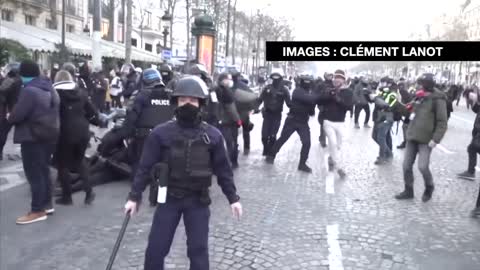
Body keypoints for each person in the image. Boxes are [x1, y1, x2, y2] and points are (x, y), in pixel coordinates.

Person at [124, 76, 242, 270]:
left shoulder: (212, 135)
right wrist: (134, 196)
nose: (188, 104)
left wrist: (233, 198)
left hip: (198, 201)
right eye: (183, 100)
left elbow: (223, 170)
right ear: (176, 103)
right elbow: (144, 167)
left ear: (201, 104)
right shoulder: (160, 134)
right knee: (155, 249)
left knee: (198, 251)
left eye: (193, 100)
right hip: (168, 199)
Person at [8, 60, 60, 224]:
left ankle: (37, 210)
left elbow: (17, 115)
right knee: (43, 170)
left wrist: (10, 116)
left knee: (34, 174)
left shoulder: (29, 91)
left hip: (32, 137)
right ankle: (47, 204)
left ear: (23, 74)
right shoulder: (49, 87)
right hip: (48, 135)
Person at [118, 68, 174, 206]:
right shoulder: (170, 95)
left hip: (145, 136)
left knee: (141, 166)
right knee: (164, 168)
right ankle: (157, 197)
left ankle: (135, 197)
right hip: (167, 137)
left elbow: (131, 116)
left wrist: (125, 134)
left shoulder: (141, 95)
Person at [395, 73, 448, 202]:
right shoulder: (419, 97)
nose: (420, 86)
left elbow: (442, 122)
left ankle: (429, 187)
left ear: (428, 84)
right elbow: (407, 111)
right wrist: (395, 103)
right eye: (420, 83)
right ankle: (408, 190)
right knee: (406, 166)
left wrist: (435, 139)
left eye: (422, 83)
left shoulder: (438, 99)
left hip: (426, 140)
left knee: (422, 167)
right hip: (412, 136)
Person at [53, 70, 100, 205]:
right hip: (82, 131)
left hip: (64, 132)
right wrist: (97, 122)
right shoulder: (81, 93)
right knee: (80, 161)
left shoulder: (54, 94)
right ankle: (89, 192)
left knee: (63, 165)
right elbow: (92, 113)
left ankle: (67, 197)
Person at [266, 73, 318, 173]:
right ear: (301, 82)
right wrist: (314, 99)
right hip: (292, 120)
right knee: (283, 139)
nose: (307, 83)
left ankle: (302, 164)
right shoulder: (297, 91)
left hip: (303, 121)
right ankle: (271, 155)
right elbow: (308, 99)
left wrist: (313, 104)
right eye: (305, 81)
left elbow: (311, 111)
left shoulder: (310, 93)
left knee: (307, 143)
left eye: (309, 82)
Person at [317, 70, 354, 178]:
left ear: (343, 80)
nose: (337, 79)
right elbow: (319, 101)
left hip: (340, 123)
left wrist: (338, 99)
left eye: (340, 78)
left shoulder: (348, 92)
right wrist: (329, 95)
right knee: (332, 143)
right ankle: (339, 168)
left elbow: (349, 107)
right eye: (335, 77)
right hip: (328, 121)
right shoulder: (328, 89)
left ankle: (331, 159)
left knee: (338, 146)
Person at [257, 72, 291, 156]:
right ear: (272, 79)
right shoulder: (267, 88)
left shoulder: (284, 89)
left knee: (273, 135)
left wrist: (296, 109)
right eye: (274, 78)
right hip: (267, 114)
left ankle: (270, 152)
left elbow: (289, 103)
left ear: (280, 79)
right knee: (264, 136)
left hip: (277, 115)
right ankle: (265, 148)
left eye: (277, 78)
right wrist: (254, 107)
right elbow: (260, 99)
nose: (275, 80)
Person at [212, 72, 242, 168]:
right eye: (228, 79)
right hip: (226, 122)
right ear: (223, 80)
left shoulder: (213, 90)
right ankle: (227, 164)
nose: (230, 81)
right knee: (229, 143)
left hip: (215, 121)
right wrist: (238, 120)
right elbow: (231, 109)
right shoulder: (226, 91)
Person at [371, 76, 398, 165]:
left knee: (380, 137)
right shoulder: (382, 92)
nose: (381, 84)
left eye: (383, 82)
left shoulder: (393, 93)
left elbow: (388, 104)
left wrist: (375, 98)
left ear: (389, 84)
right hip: (378, 117)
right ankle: (389, 153)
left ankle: (382, 156)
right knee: (375, 136)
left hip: (387, 118)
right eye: (381, 82)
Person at [0, 62, 22, 160]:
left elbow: (2, 93)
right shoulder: (21, 80)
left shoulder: (9, 81)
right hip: (19, 108)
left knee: (3, 132)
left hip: (9, 110)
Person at [457, 90, 480, 181]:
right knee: (472, 148)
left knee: (472, 148)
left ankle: (470, 172)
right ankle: (470, 172)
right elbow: (476, 110)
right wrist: (473, 101)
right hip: (477, 131)